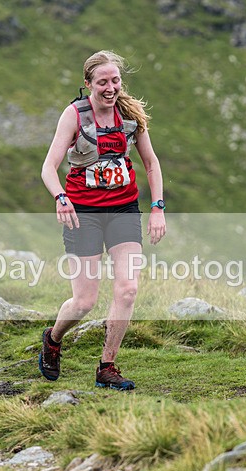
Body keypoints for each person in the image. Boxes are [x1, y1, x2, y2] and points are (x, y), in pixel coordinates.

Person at [39, 50, 166, 391]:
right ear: (88, 84)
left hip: (124, 210)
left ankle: (107, 366)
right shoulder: (75, 115)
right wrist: (60, 198)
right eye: (102, 82)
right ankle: (53, 339)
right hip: (84, 214)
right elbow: (49, 168)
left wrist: (157, 207)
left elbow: (151, 164)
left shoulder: (130, 115)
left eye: (115, 81)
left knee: (127, 289)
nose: (110, 88)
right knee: (84, 301)